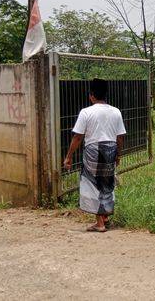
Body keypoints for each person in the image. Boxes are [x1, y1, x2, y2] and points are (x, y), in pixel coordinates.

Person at [64, 78, 126, 232]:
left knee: (92, 183)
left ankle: (100, 223)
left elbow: (77, 137)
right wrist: (118, 155)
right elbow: (120, 137)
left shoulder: (86, 112)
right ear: (106, 95)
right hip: (111, 148)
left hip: (93, 150)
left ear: (91, 95)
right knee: (107, 181)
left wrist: (69, 156)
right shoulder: (116, 111)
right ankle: (105, 217)